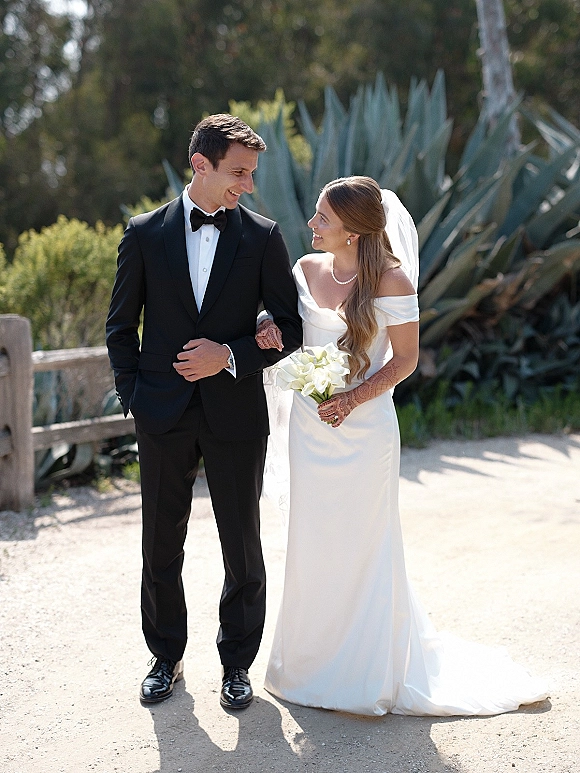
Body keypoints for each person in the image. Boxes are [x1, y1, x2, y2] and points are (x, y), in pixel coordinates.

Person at [255, 176, 549, 715]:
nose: (312, 225)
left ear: (353, 232)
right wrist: (268, 325)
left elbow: (404, 360)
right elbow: (277, 319)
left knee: (366, 542)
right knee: (312, 540)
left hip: (365, 431)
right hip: (309, 426)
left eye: (322, 218)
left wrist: (351, 399)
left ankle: (366, 672)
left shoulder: (391, 282)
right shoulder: (304, 269)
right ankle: (305, 667)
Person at [106, 114, 303, 711]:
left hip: (235, 414)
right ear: (201, 164)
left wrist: (229, 356)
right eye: (238, 173)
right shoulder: (143, 234)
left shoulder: (264, 236)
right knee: (160, 543)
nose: (247, 184)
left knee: (241, 543)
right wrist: (135, 397)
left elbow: (290, 328)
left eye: (251, 174)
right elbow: (121, 328)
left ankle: (237, 663)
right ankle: (165, 656)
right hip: (161, 413)